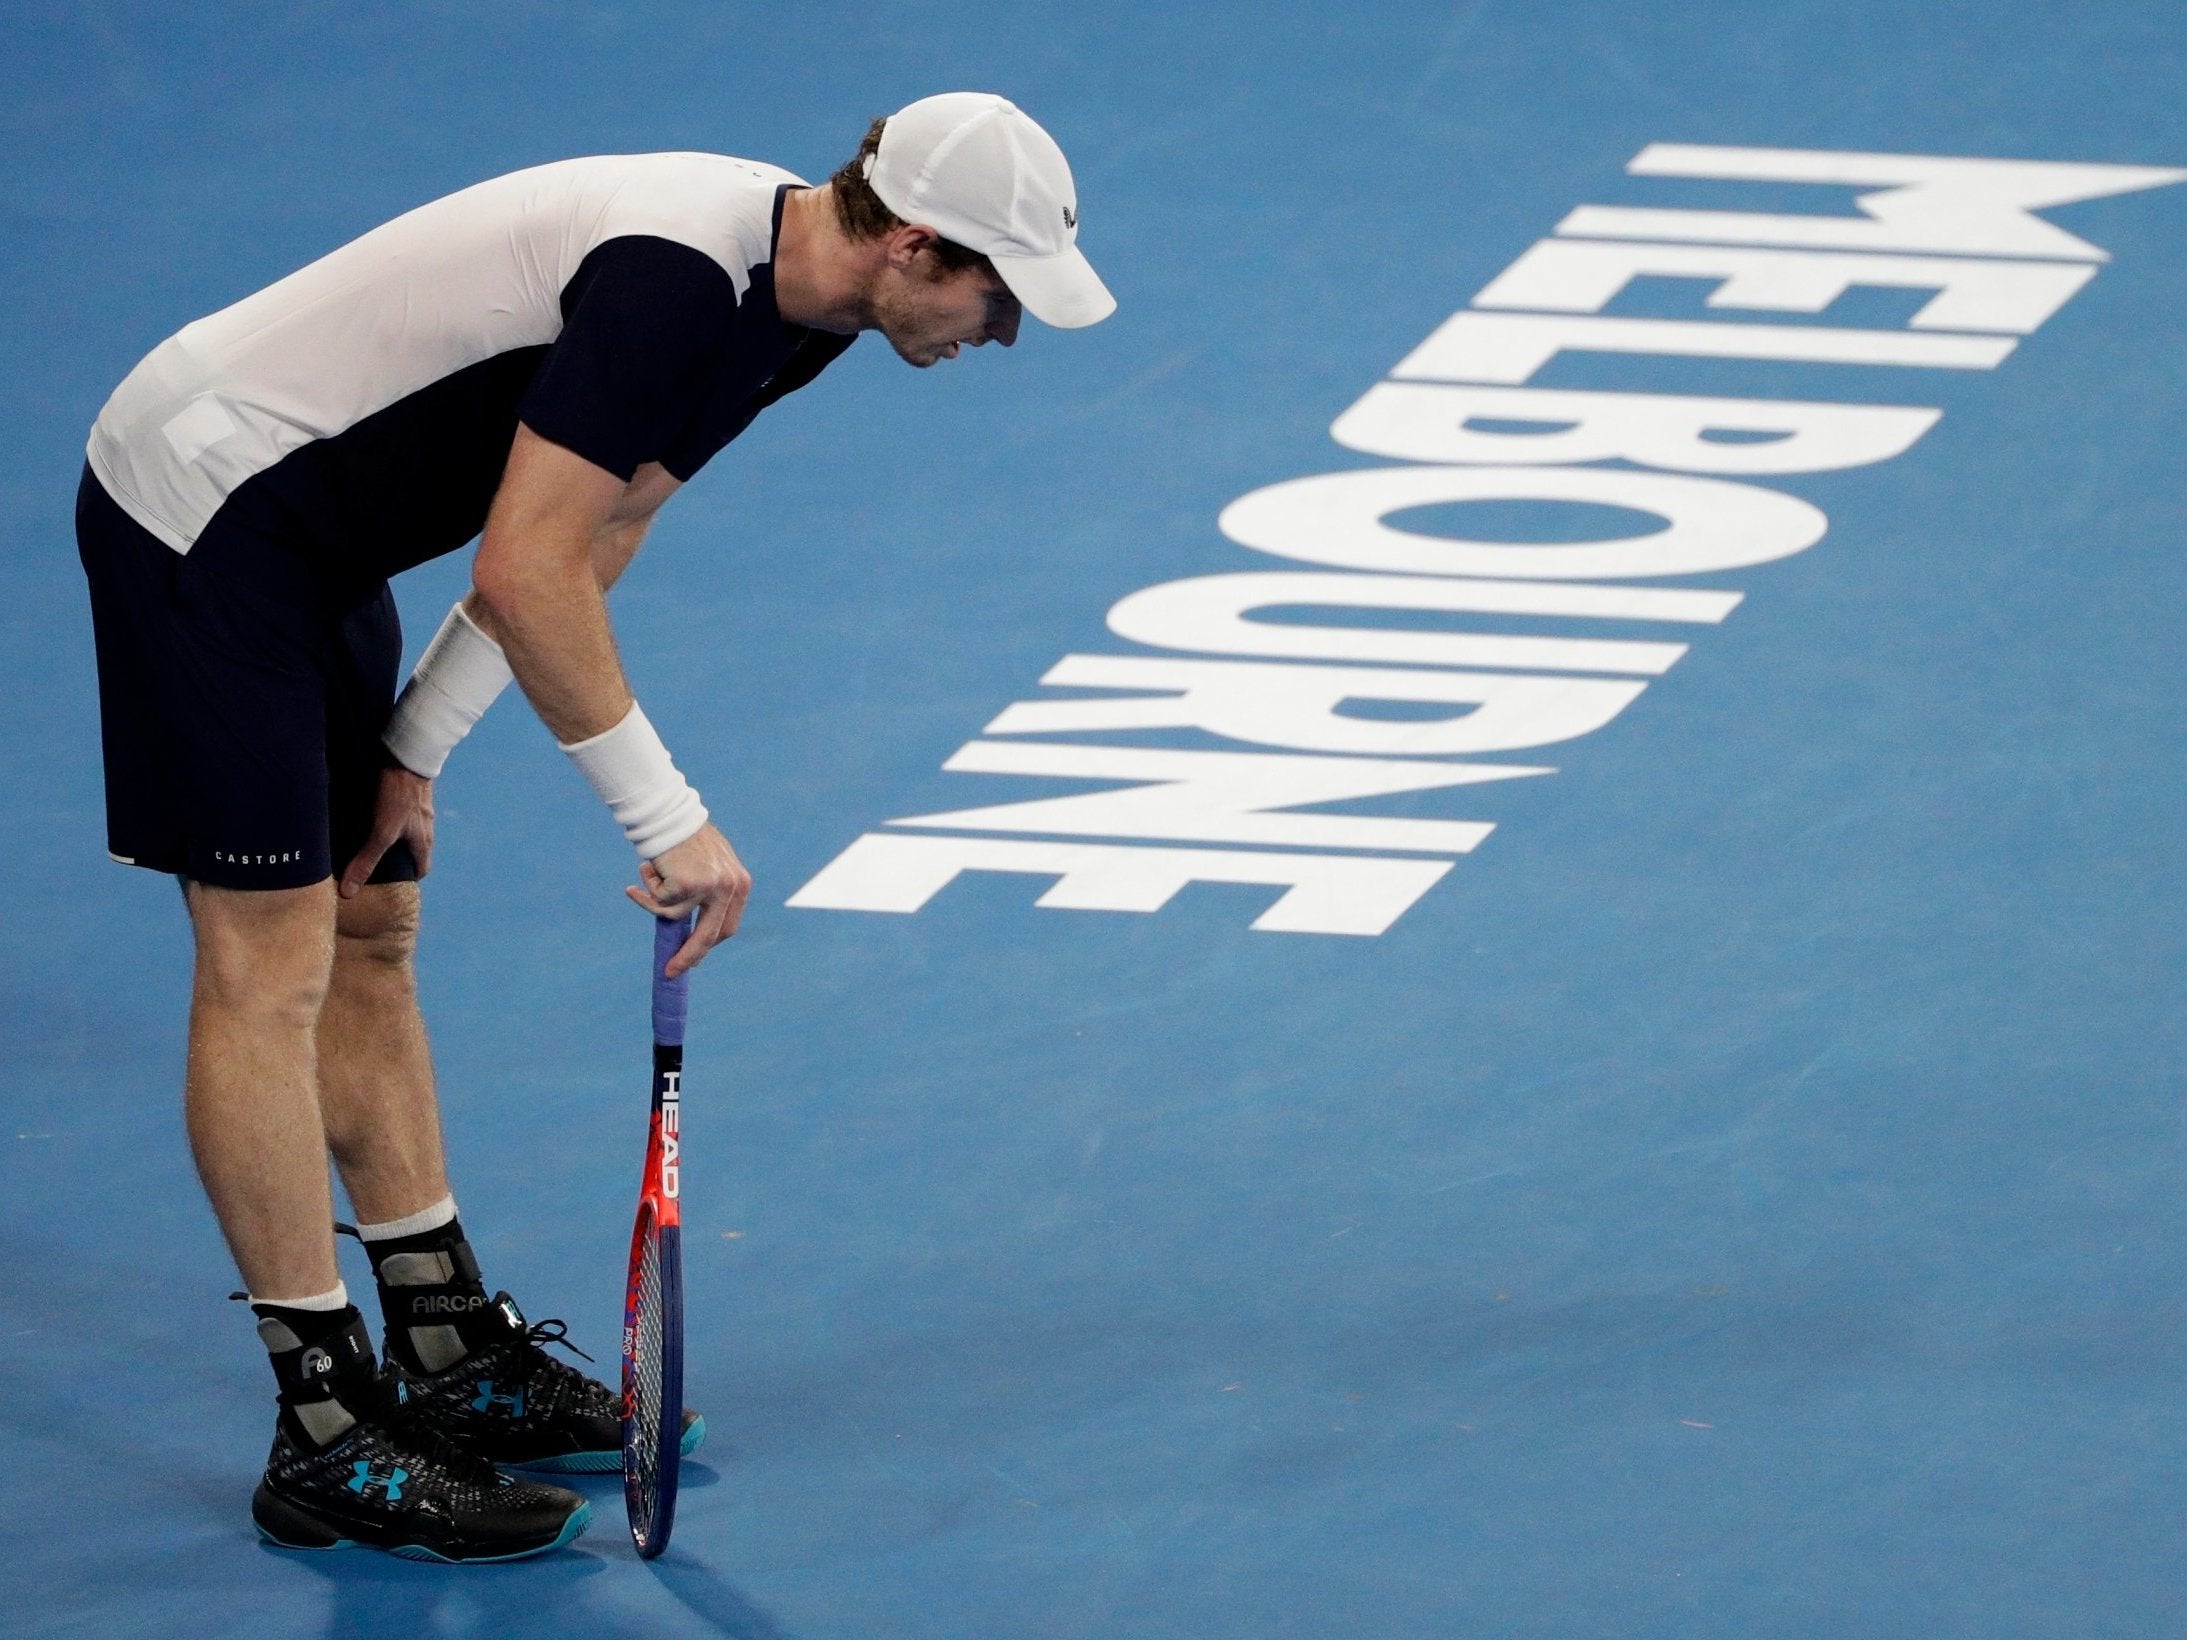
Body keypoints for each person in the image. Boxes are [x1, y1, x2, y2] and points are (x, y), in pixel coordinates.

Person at [75, 91, 1114, 1563]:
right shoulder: (674, 284)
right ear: (915, 245)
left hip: (321, 537)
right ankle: (321, 1424)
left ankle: (443, 1342)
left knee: (375, 914)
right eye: (995, 294)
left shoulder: (797, 312)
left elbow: (597, 532)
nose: (1001, 333)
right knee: (271, 964)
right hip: (211, 510)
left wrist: (414, 748)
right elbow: (524, 564)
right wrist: (671, 822)